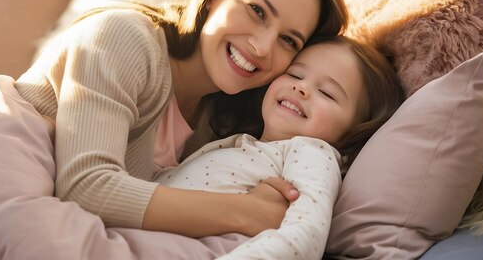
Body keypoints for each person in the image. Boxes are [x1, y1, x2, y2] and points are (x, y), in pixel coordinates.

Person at [13, 0, 349, 238]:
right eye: (257, 11)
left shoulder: (228, 124)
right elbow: (85, 187)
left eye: (288, 41)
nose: (262, 47)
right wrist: (244, 213)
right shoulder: (124, 37)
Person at [154, 37, 405, 259]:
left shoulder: (313, 152)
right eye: (295, 74)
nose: (301, 87)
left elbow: (305, 234)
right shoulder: (240, 142)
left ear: (354, 131)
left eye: (327, 93)